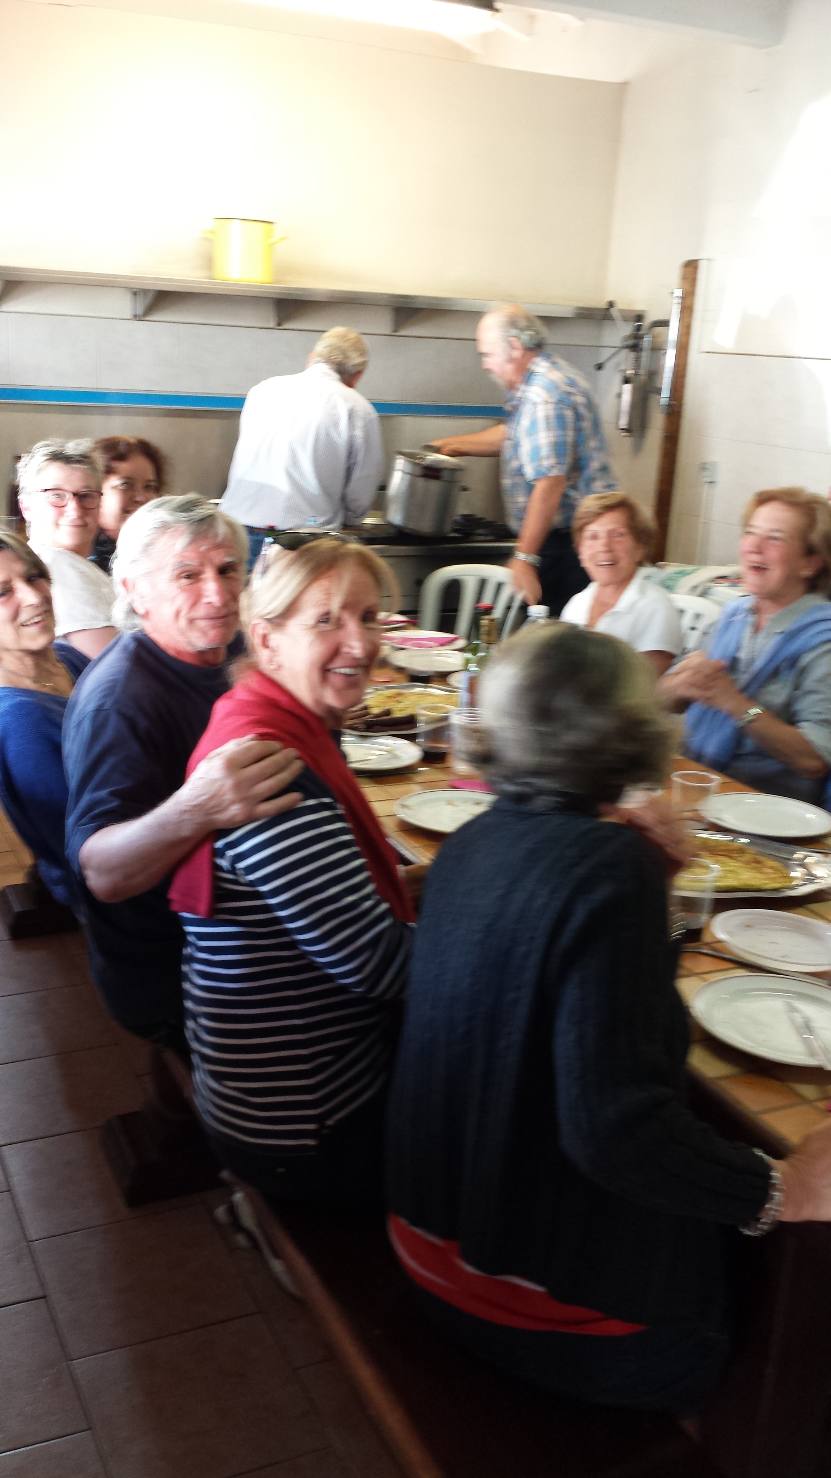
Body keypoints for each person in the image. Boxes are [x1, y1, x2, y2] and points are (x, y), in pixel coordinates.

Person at [385, 622, 831, 1414]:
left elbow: (585, 996)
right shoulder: (607, 867)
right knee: (777, 1286)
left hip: (427, 1251)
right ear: (636, 736)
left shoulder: (470, 844)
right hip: (543, 1314)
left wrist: (654, 887)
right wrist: (784, 1188)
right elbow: (616, 1132)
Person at [170, 536, 414, 1207]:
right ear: (267, 640)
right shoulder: (271, 772)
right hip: (305, 1121)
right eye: (327, 620)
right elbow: (384, 968)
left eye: (368, 617)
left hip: (275, 1091)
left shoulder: (270, 716)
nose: (359, 643)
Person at [63, 495, 302, 1050]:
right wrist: (199, 807)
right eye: (187, 575)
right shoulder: (121, 701)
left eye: (228, 570)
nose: (217, 595)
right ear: (134, 590)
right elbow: (102, 874)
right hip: (176, 967)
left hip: (247, 915)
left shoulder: (230, 646)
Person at [431, 303, 617, 614]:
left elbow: (550, 482)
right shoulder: (546, 378)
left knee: (550, 637)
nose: (485, 365)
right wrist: (452, 445)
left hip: (565, 547)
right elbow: (516, 435)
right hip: (566, 541)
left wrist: (525, 557)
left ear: (515, 348)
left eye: (488, 354)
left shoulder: (544, 396)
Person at [662, 487, 831, 803]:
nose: (754, 546)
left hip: (766, 806)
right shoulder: (735, 615)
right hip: (699, 780)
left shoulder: (822, 640)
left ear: (810, 563)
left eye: (775, 538)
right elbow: (666, 701)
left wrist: (736, 704)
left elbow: (814, 761)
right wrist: (676, 686)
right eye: (751, 532)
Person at [221, 327, 384, 564]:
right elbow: (362, 486)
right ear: (357, 376)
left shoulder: (263, 390)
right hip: (305, 537)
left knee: (244, 590)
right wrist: (351, 520)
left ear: (312, 357)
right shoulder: (358, 409)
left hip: (238, 528)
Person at [0, 532, 89, 908]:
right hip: (110, 894)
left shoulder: (67, 658)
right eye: (3, 592)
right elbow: (81, 851)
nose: (34, 597)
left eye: (33, 576)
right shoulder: (20, 720)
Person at [560, 491, 682, 675]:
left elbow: (646, 683)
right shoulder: (577, 603)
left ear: (640, 548)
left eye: (618, 535)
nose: (604, 547)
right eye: (593, 536)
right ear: (580, 552)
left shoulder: (655, 606)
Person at [17, 438, 118, 658]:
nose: (75, 509)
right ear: (26, 507)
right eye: (56, 496)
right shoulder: (59, 567)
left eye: (86, 496)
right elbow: (115, 664)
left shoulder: (51, 563)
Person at [90, 435, 165, 572]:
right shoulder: (84, 564)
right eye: (125, 485)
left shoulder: (168, 551)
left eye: (149, 487)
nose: (141, 498)